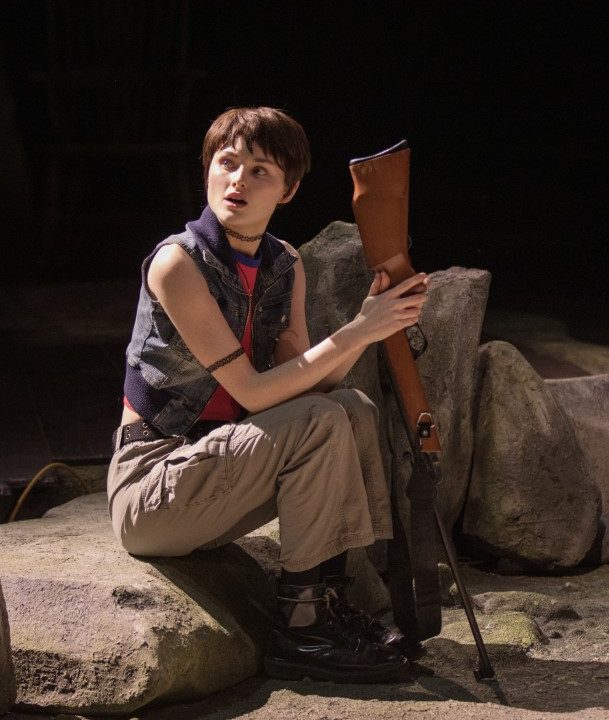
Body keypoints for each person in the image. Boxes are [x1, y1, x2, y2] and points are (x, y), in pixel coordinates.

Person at [107, 106, 429, 683]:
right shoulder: (177, 263)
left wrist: (372, 320)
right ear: (206, 170)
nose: (238, 180)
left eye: (260, 171)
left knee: (351, 409)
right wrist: (361, 330)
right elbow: (255, 394)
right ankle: (301, 630)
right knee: (319, 421)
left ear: (288, 190)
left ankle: (328, 602)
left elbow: (311, 383)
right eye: (227, 163)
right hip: (152, 487)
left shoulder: (286, 264)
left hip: (221, 471)